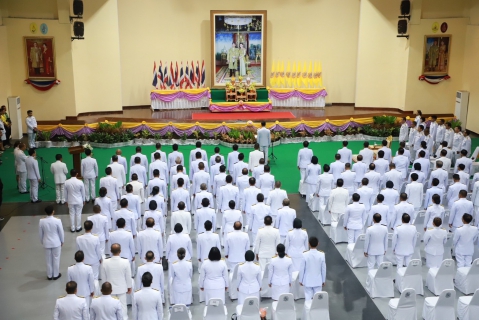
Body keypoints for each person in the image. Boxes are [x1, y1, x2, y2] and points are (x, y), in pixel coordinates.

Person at [101, 243, 132, 320]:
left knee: (111, 308)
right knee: (123, 307)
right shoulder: (125, 262)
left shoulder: (105, 262)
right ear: (120, 251)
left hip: (109, 290)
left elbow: (103, 277)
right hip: (122, 288)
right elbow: (128, 276)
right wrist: (129, 286)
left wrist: (104, 289)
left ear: (111, 251)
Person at [39, 205, 64, 280]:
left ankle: (49, 275)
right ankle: (56, 274)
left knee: (48, 259)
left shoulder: (41, 221)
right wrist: (62, 241)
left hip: (46, 242)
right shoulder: (57, 220)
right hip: (56, 243)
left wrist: (42, 241)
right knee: (56, 259)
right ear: (53, 211)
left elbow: (40, 233)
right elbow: (61, 232)